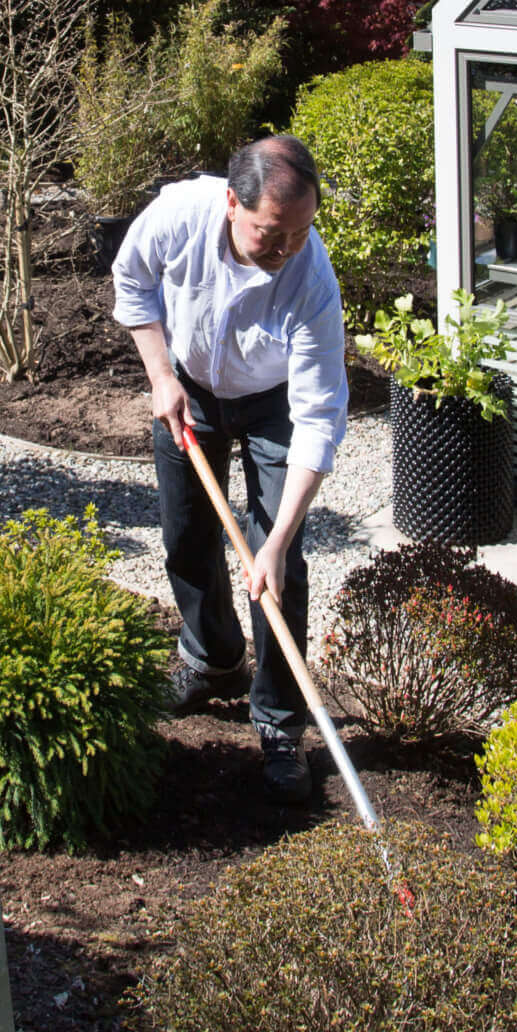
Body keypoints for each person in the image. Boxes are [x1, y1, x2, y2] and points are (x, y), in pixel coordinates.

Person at [110, 134, 348, 804]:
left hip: (274, 404)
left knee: (278, 568)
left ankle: (279, 722)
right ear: (230, 203)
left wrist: (272, 542)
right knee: (186, 534)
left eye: (300, 233)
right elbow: (131, 279)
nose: (286, 250)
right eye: (271, 234)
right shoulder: (180, 215)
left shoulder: (310, 278)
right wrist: (161, 374)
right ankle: (212, 657)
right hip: (190, 384)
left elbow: (320, 418)